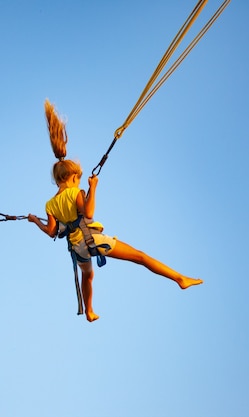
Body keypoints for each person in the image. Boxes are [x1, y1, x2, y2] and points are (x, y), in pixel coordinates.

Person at [28, 100, 202, 322]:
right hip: (93, 239)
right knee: (140, 256)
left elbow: (52, 232)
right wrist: (93, 188)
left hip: (77, 248)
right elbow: (88, 214)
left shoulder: (50, 204)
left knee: (87, 275)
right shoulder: (77, 192)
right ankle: (179, 279)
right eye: (78, 179)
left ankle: (89, 311)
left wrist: (35, 221)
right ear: (72, 177)